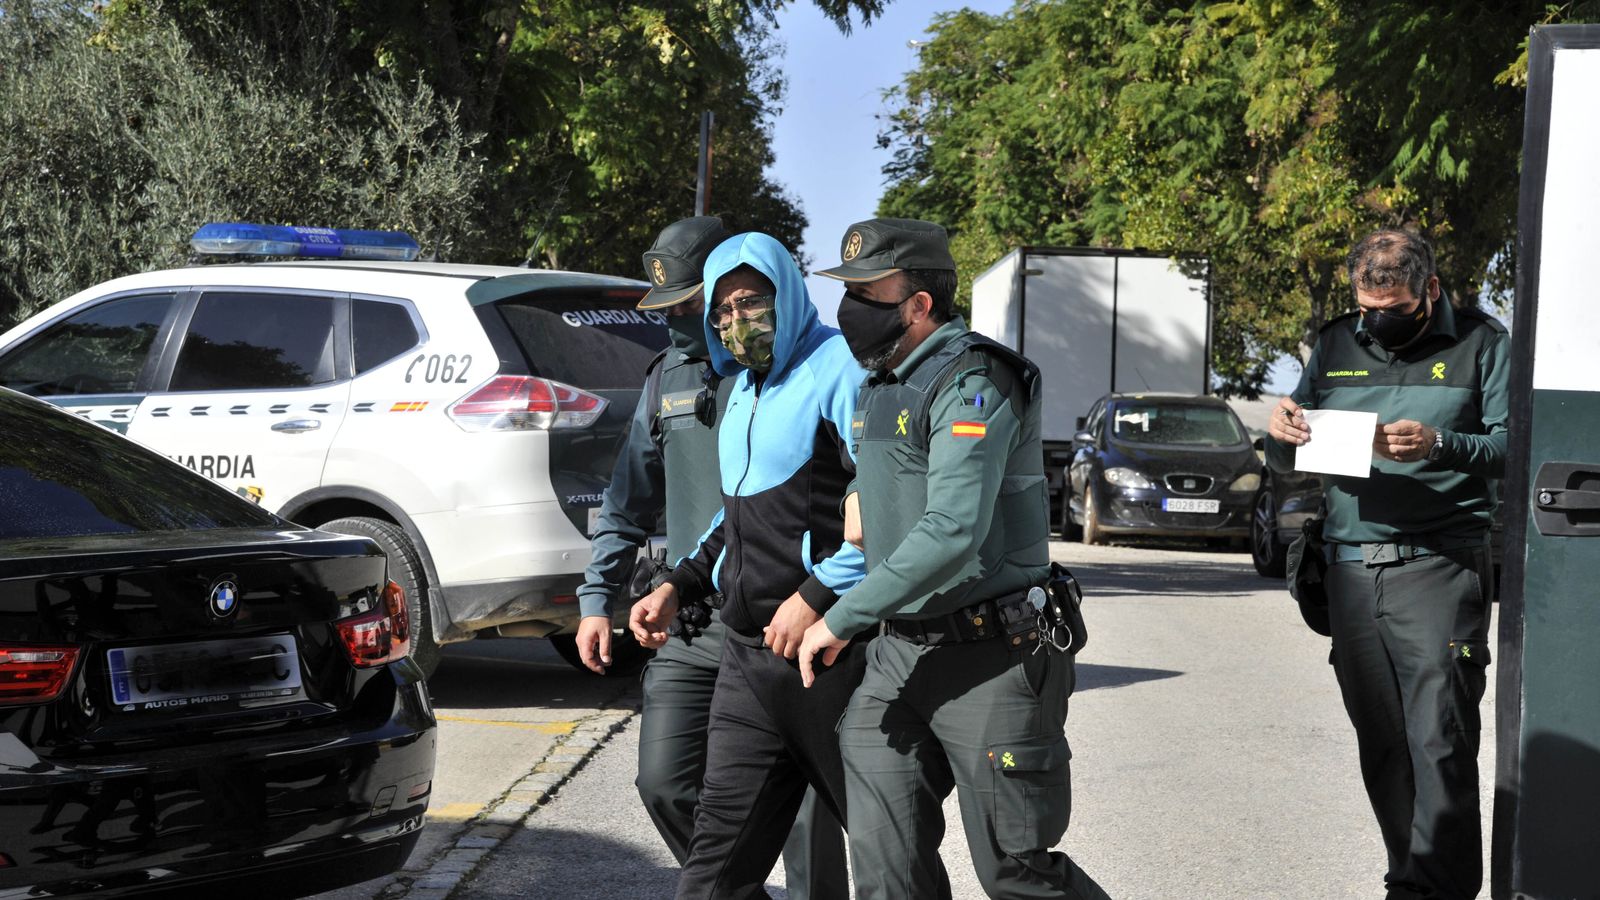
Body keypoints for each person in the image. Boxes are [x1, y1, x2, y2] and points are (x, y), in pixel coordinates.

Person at [797, 217, 1111, 900]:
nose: (850, 308)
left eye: (867, 291)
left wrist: (840, 617)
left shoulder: (977, 379)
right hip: (899, 657)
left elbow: (953, 530)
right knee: (886, 873)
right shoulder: (878, 385)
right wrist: (859, 495)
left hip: (993, 656)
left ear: (918, 303)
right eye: (847, 289)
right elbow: (885, 474)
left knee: (1017, 875)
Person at [573, 217, 847, 898]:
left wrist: (824, 594)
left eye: (696, 307)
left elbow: (872, 498)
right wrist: (602, 598)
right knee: (667, 784)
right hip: (699, 622)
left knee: (817, 828)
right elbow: (631, 501)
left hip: (790, 626)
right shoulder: (670, 380)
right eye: (700, 311)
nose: (690, 323)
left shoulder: (794, 371)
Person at [1266, 229, 1508, 900]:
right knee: (1383, 746)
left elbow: (1517, 445)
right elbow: (1290, 453)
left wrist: (1442, 443)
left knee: (1440, 745)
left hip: (1437, 566)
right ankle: (1409, 880)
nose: (1378, 320)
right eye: (1366, 305)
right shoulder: (1338, 342)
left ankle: (1439, 891)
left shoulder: (1483, 345)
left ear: (1429, 291)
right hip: (1348, 570)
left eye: (1393, 306)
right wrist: (1279, 435)